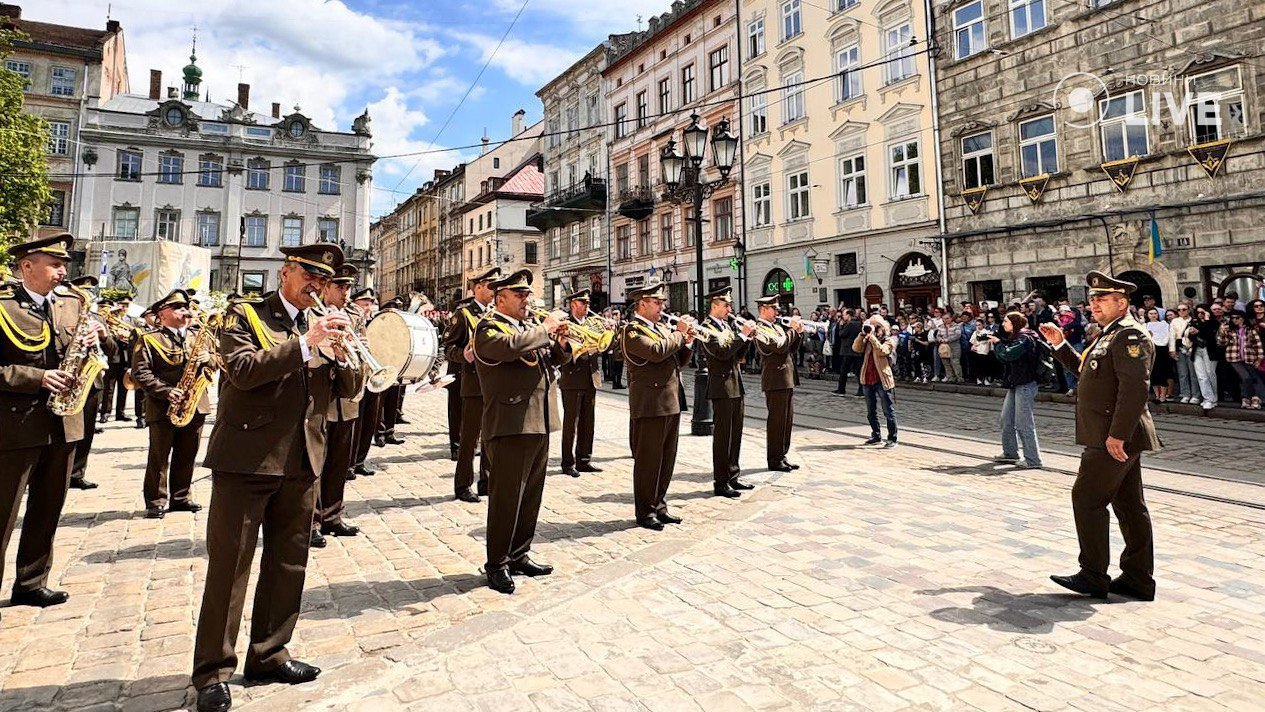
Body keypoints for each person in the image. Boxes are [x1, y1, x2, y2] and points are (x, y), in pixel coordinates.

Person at [191, 245, 364, 712]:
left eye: (322, 279)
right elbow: (244, 372)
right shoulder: (244, 315)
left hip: (302, 460)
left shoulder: (323, 321)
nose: (316, 285)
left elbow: (348, 392)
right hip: (247, 459)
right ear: (286, 272)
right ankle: (212, 670)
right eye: (309, 274)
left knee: (289, 563)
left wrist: (344, 356)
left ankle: (269, 652)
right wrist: (307, 345)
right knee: (230, 569)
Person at [0, 234, 115, 621]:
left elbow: (105, 355)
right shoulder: (3, 306)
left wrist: (100, 341)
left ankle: (31, 582)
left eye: (64, 263)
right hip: (15, 426)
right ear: (26, 266)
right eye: (53, 263)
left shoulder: (72, 303)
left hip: (65, 422)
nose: (63, 270)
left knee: (48, 508)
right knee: (3, 512)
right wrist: (35, 377)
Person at [1040, 271, 1159, 602]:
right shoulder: (1109, 335)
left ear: (1122, 303)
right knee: (1130, 506)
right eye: (1092, 299)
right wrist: (1060, 344)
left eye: (1102, 299)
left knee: (1087, 499)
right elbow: (1087, 371)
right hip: (1113, 434)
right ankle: (1137, 578)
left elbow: (1135, 388)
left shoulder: (1130, 336)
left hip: (1113, 436)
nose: (1094, 304)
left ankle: (1093, 574)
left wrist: (1117, 435)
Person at [471, 269, 570, 594]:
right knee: (506, 498)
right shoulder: (488, 328)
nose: (527, 300)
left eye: (527, 295)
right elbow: (510, 347)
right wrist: (545, 330)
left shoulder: (529, 328)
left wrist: (562, 343)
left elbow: (551, 359)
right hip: (510, 423)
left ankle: (519, 553)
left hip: (538, 419)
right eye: (520, 295)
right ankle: (497, 563)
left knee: (531, 495)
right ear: (500, 299)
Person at [131, 289, 210, 519]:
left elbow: (219, 363)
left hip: (195, 404)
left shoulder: (198, 336)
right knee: (159, 455)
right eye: (177, 308)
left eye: (185, 307)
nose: (185, 311)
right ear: (162, 314)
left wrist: (210, 359)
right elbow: (141, 373)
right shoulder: (149, 339)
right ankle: (156, 500)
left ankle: (181, 497)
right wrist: (166, 391)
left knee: (188, 453)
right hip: (163, 405)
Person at [622, 284, 694, 530]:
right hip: (649, 404)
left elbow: (677, 360)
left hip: (670, 401)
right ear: (642, 303)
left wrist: (687, 343)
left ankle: (659, 505)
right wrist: (679, 335)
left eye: (662, 302)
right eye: (657, 302)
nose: (662, 306)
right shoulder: (632, 330)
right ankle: (645, 511)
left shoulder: (662, 328)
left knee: (666, 460)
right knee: (648, 461)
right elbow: (656, 352)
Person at [311, 265, 367, 547]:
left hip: (348, 398)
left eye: (348, 288)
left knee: (339, 461)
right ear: (326, 288)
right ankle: (312, 520)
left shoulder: (355, 316)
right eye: (340, 288)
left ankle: (333, 514)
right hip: (323, 396)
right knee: (316, 464)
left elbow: (364, 348)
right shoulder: (314, 315)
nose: (346, 293)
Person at [443, 268, 500, 502]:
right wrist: (462, 356)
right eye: (490, 286)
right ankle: (463, 485)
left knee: (490, 436)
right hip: (474, 384)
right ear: (477, 287)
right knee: (469, 438)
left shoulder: (497, 314)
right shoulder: (464, 314)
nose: (494, 291)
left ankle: (486, 481)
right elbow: (448, 348)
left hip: (494, 384)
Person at [698, 287, 755, 497]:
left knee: (736, 433)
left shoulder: (727, 326)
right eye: (725, 305)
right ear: (714, 306)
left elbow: (737, 355)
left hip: (735, 384)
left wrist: (747, 339)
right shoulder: (706, 328)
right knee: (723, 436)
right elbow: (721, 353)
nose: (729, 309)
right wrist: (741, 335)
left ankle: (733, 475)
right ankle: (721, 481)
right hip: (721, 386)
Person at [557, 289, 603, 478]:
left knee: (588, 422)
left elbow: (601, 346)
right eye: (583, 303)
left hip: (591, 378)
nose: (587, 307)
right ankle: (568, 462)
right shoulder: (565, 325)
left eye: (587, 303)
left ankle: (584, 460)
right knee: (571, 424)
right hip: (572, 378)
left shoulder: (592, 324)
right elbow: (560, 352)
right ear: (573, 304)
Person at [754, 296, 803, 472]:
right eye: (774, 309)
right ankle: (774, 459)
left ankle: (782, 455)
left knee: (786, 420)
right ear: (763, 309)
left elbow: (791, 348)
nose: (777, 312)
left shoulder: (776, 327)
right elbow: (780, 346)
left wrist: (798, 333)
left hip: (786, 378)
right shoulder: (759, 329)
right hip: (775, 379)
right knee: (776, 421)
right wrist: (792, 330)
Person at [989, 312, 1044, 469]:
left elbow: (1008, 355)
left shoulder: (1024, 338)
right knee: (1006, 420)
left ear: (1015, 323)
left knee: (1023, 423)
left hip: (1025, 383)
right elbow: (1004, 355)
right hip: (1016, 382)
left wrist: (998, 343)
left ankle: (1033, 459)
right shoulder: (1016, 337)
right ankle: (1010, 452)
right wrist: (998, 342)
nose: (1003, 323)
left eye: (1006, 321)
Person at [68, 276, 106, 490]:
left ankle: (77, 472)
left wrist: (104, 334)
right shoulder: (63, 313)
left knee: (87, 430)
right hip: (70, 379)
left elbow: (111, 349)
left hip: (92, 380)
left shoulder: (97, 317)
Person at [348, 288, 382, 478]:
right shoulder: (351, 319)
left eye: (370, 303)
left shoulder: (375, 322)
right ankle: (349, 463)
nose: (368, 307)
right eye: (364, 303)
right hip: (356, 377)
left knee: (369, 420)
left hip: (372, 376)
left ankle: (360, 460)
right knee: (356, 422)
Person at [853, 315, 898, 448]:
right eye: (872, 326)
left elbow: (882, 351)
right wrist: (862, 334)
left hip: (882, 379)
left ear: (882, 328)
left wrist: (872, 338)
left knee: (888, 410)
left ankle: (892, 438)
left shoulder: (889, 340)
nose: (874, 329)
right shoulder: (867, 340)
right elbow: (856, 348)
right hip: (867, 378)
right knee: (870, 411)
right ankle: (876, 435)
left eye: (876, 327)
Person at [1217, 310, 1264, 409]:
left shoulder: (1250, 330)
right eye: (1232, 318)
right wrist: (1222, 331)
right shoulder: (1229, 330)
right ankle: (1254, 397)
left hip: (1249, 357)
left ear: (1242, 318)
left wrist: (1259, 359)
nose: (1234, 320)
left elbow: (1258, 345)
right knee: (1246, 377)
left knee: (1250, 378)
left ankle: (1245, 398)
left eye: (1237, 318)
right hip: (1234, 358)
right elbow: (1222, 343)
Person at [1143, 308, 1173, 402]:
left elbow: (1166, 336)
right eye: (1151, 313)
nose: (1153, 315)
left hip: (1162, 349)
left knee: (1162, 372)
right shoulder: (1145, 325)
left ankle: (1163, 395)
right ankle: (1157, 395)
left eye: (1155, 313)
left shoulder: (1164, 324)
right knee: (1154, 373)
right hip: (1151, 350)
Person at [1169, 304, 1195, 403]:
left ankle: (1195, 394)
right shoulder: (1175, 321)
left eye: (1184, 309)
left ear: (1188, 310)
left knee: (1193, 373)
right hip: (1179, 347)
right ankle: (1185, 394)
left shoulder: (1193, 320)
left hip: (1191, 347)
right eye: (1179, 310)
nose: (1181, 311)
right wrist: (1172, 349)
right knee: (1182, 373)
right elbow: (1172, 336)